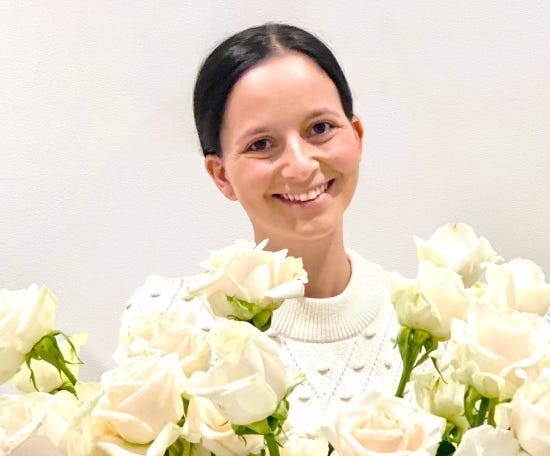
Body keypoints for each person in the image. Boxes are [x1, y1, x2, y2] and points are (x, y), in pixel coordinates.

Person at [122, 24, 402, 431]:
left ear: (356, 136)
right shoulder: (167, 325)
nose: (302, 164)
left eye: (320, 129)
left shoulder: (429, 320)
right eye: (261, 145)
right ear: (221, 175)